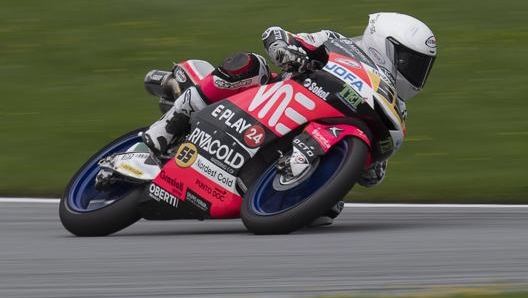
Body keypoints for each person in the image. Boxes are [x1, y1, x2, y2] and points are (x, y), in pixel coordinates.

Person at [141, 12, 437, 220]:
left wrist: (370, 163)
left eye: (422, 66)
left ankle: (260, 191)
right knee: (248, 65)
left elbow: (372, 175)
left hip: (304, 134)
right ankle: (157, 137)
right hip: (269, 99)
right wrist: (286, 50)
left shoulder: (393, 104)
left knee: (328, 212)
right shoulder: (336, 42)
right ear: (384, 42)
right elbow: (275, 35)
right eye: (411, 62)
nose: (415, 72)